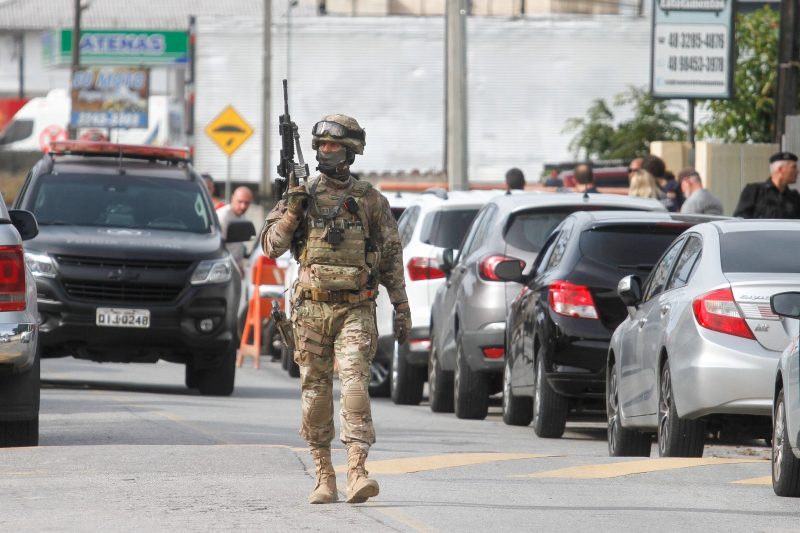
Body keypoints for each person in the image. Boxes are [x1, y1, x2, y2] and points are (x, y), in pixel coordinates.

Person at [261, 114, 410, 505]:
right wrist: (293, 210)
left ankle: (357, 470)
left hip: (356, 308)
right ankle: (323, 474)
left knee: (356, 386)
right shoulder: (300, 192)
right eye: (322, 146)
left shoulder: (370, 200)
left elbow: (392, 255)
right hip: (311, 309)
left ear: (351, 152)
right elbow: (271, 246)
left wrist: (401, 305)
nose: (327, 152)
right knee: (315, 392)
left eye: (334, 146)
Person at [734, 151, 800, 219]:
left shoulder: (794, 196)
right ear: (780, 169)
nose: (797, 171)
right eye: (793, 167)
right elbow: (741, 218)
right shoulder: (755, 191)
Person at [217, 186, 253, 275]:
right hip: (222, 267)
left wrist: (240, 265)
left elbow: (238, 243)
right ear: (233, 198)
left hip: (234, 267)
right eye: (240, 201)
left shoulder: (241, 215)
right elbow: (220, 247)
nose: (243, 206)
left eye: (247, 203)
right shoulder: (223, 216)